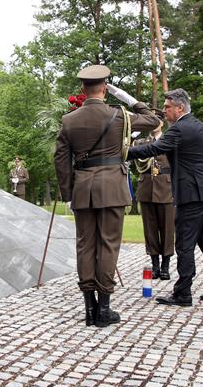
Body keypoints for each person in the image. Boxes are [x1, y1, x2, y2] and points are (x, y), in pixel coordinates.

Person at [54, 64, 160, 327]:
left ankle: (89, 309)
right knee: (108, 245)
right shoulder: (120, 116)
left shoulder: (69, 120)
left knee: (85, 245)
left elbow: (60, 160)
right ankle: (104, 309)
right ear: (104, 88)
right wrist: (128, 98)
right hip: (112, 187)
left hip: (82, 189)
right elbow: (154, 120)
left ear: (82, 89)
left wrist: (68, 193)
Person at [126, 88, 203, 307]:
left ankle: (183, 293)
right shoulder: (199, 126)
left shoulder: (180, 129)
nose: (164, 111)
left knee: (184, 244)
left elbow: (154, 149)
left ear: (180, 108)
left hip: (191, 194)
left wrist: (121, 152)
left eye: (167, 107)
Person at [132, 116, 175, 281]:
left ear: (161, 123)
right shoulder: (141, 141)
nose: (152, 124)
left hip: (166, 188)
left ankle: (165, 266)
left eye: (155, 120)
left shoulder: (170, 140)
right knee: (150, 229)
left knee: (167, 229)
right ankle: (155, 265)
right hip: (146, 189)